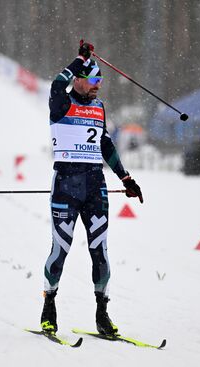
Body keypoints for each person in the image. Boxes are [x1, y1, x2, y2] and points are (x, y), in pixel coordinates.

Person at [40, 40, 143, 336]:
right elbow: (57, 84)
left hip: (95, 186)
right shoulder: (61, 102)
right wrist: (78, 60)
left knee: (100, 252)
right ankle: (49, 306)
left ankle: (102, 314)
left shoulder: (99, 107)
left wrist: (125, 178)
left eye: (101, 79)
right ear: (79, 80)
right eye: (93, 79)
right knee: (60, 250)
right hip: (65, 187)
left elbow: (105, 143)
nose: (98, 84)